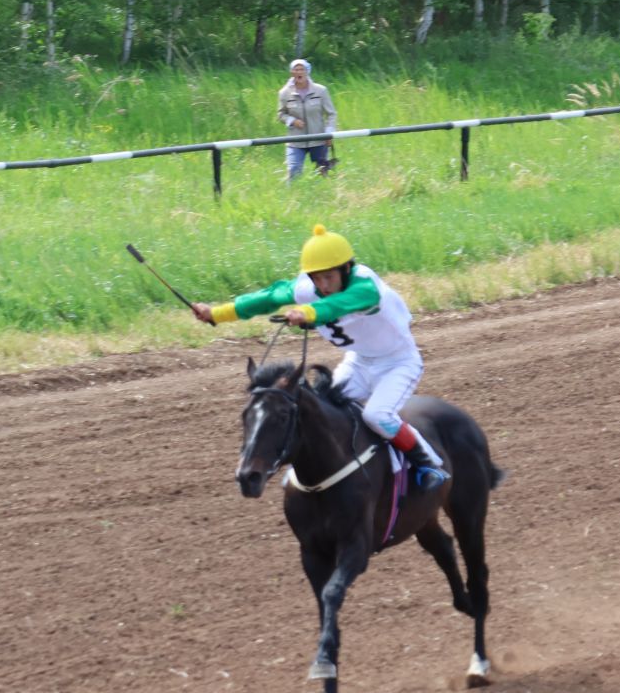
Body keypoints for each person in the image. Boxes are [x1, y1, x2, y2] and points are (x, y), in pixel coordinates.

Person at [190, 223, 450, 492]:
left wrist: (309, 313)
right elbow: (267, 298)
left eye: (329, 277)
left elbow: (337, 305)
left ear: (346, 269)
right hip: (358, 362)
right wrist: (217, 314)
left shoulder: (366, 286)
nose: (323, 285)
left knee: (377, 415)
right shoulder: (307, 288)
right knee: (321, 411)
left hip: (398, 363)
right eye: (317, 278)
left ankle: (429, 464)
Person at [276, 59, 338, 181]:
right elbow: (281, 114)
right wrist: (292, 121)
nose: (299, 72)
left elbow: (331, 114)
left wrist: (329, 133)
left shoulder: (321, 91)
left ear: (307, 72)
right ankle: (292, 197)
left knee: (321, 173)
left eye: (302, 69)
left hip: (318, 140)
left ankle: (321, 195)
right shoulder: (284, 93)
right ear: (291, 73)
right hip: (295, 141)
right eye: (296, 69)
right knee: (293, 171)